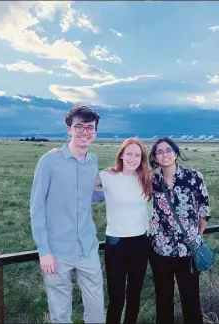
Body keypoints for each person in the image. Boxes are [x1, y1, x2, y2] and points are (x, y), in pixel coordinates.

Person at [30, 105, 105, 323]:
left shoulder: (93, 161)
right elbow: (37, 207)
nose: (84, 132)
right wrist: (44, 251)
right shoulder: (49, 161)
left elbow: (86, 195)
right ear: (69, 129)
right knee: (60, 313)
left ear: (95, 132)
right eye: (79, 126)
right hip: (56, 251)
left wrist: (114, 191)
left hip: (87, 247)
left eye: (89, 128)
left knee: (96, 310)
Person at [148, 137, 211, 324]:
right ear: (155, 157)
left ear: (176, 153)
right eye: (159, 151)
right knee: (163, 300)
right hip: (160, 251)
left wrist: (196, 235)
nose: (165, 154)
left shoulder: (193, 177)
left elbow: (204, 209)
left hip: (187, 251)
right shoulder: (151, 180)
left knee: (191, 300)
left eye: (168, 150)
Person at [96, 138, 152, 324]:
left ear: (142, 158)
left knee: (134, 294)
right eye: (129, 153)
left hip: (140, 243)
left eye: (137, 155)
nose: (132, 158)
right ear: (121, 155)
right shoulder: (107, 176)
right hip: (116, 243)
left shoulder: (145, 178)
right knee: (117, 297)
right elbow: (79, 183)